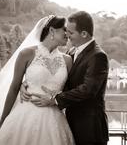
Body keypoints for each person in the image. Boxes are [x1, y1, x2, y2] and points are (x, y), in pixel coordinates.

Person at [0, 15, 75, 145]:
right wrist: (3, 119)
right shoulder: (26, 54)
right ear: (52, 31)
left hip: (55, 119)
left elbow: (71, 91)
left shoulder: (67, 60)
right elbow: (14, 87)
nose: (67, 33)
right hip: (24, 116)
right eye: (64, 29)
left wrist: (55, 100)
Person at [21, 11, 109, 145]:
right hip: (70, 122)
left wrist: (55, 99)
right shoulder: (71, 53)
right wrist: (26, 83)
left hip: (90, 127)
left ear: (84, 34)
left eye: (71, 32)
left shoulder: (98, 56)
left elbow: (88, 89)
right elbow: (57, 78)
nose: (67, 35)